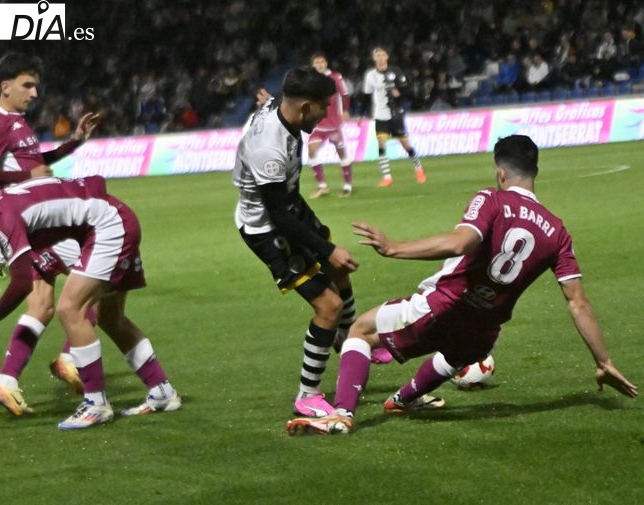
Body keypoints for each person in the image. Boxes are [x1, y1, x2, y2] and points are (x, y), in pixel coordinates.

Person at [287, 135, 638, 435]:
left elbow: (460, 243)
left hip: (445, 304)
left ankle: (342, 415)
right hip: (484, 332)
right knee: (454, 355)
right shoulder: (557, 231)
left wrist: (394, 248)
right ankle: (402, 399)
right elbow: (577, 302)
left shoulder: (492, 199)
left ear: (500, 172)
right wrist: (603, 360)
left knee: (359, 331)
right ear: (535, 173)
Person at [0, 52, 179, 420]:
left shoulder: (18, 123)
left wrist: (75, 142)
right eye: (26, 85)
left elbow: (38, 163)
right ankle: (73, 373)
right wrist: (21, 181)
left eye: (35, 85)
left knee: (60, 305)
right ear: (5, 87)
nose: (34, 92)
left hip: (56, 216)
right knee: (69, 306)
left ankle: (34, 374)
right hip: (40, 222)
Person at [0, 175, 180, 429]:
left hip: (107, 226)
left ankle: (96, 405)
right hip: (110, 217)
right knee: (109, 317)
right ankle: (162, 391)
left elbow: (21, 283)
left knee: (70, 309)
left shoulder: (1, 218)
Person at [233, 66, 360, 418]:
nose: (325, 115)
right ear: (305, 107)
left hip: (289, 205)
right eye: (323, 108)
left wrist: (329, 252)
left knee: (339, 270)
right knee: (328, 306)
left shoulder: (282, 107)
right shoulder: (268, 149)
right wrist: (328, 248)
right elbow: (279, 218)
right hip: (268, 229)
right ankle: (307, 395)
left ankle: (348, 342)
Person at [363, 46, 426, 187]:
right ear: (374, 58)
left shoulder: (395, 71)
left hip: (395, 114)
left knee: (405, 144)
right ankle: (387, 177)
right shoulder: (370, 75)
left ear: (387, 57)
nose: (380, 57)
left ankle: (419, 169)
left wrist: (400, 93)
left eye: (382, 54)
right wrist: (364, 113)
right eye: (377, 55)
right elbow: (366, 96)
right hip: (379, 114)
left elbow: (407, 90)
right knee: (381, 144)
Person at [306, 53, 354, 199]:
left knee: (341, 153)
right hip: (319, 125)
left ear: (326, 63)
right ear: (313, 65)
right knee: (311, 150)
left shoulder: (335, 77)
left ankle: (347, 186)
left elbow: (345, 95)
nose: (319, 64)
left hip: (334, 125)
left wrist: (345, 111)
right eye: (316, 62)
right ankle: (322, 186)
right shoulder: (310, 80)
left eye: (322, 61)